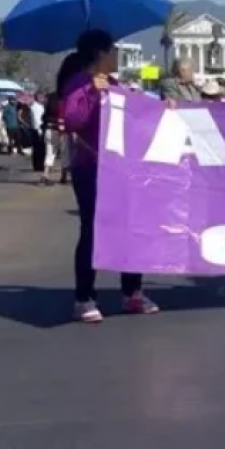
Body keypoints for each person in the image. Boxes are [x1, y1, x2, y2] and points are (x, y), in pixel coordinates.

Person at [62, 31, 159, 323]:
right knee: (92, 229)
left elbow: (136, 115)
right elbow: (72, 120)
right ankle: (84, 298)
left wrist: (160, 108)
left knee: (130, 228)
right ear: (100, 53)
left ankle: (132, 293)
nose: (117, 56)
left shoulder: (115, 85)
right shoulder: (78, 83)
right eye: (114, 50)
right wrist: (92, 91)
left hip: (121, 170)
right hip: (90, 167)